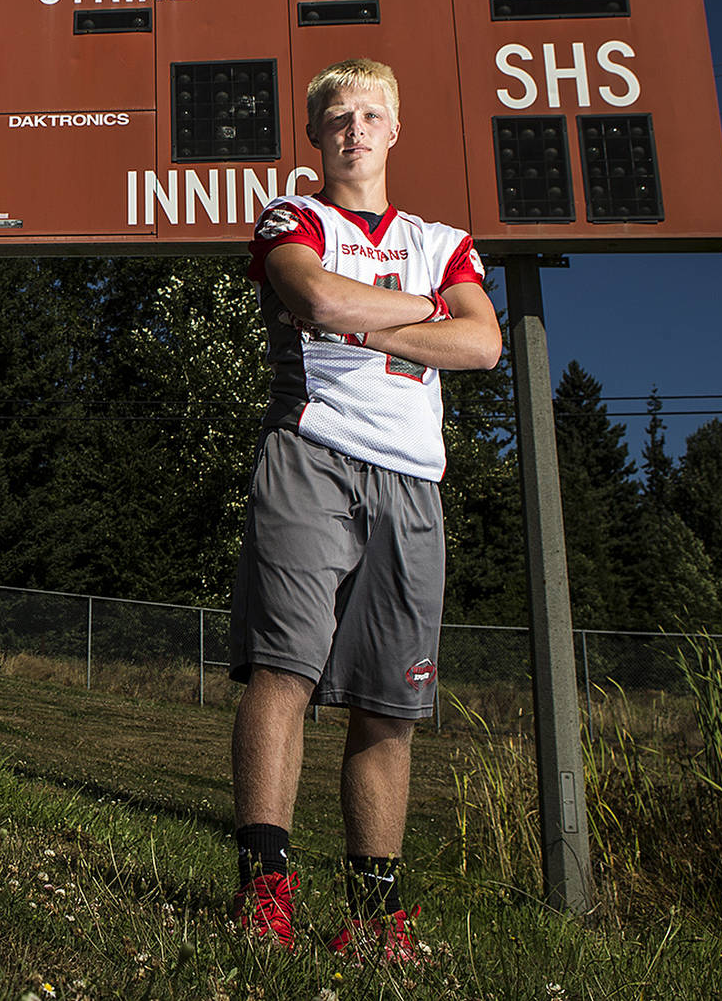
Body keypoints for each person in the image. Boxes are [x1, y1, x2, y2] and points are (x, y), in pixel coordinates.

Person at [228, 57, 501, 959]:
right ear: (318, 136)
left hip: (414, 479)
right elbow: (313, 294)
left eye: (370, 113)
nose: (354, 128)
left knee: (390, 702)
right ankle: (266, 888)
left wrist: (377, 316)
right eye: (337, 115)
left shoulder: (441, 239)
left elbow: (483, 343)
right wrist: (423, 316)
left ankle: (374, 917)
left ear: (394, 129)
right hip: (314, 448)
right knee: (286, 669)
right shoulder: (294, 217)